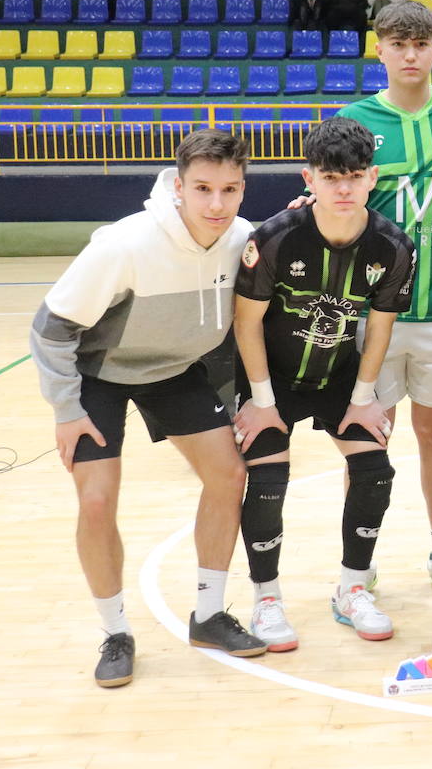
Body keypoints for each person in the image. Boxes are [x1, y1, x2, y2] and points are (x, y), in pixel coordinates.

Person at [30, 129, 265, 688]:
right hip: (98, 374)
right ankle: (115, 633)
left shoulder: (245, 239)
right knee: (95, 502)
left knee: (230, 476)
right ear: (177, 186)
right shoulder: (126, 245)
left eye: (229, 190)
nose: (216, 203)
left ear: (242, 189)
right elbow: (49, 329)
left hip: (174, 371)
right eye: (202, 188)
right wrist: (66, 410)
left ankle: (208, 615)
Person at [233, 117, 415, 651]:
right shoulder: (270, 238)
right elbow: (246, 324)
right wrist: (262, 404)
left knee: (376, 468)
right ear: (307, 177)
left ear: (372, 177)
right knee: (267, 473)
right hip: (273, 379)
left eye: (354, 176)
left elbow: (380, 327)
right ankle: (265, 597)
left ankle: (352, 589)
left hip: (338, 376)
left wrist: (363, 399)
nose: (342, 188)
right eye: (330, 176)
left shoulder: (393, 246)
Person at [335, 1, 432, 608]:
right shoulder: (353, 119)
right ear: (380, 50)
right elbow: (329, 202)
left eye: (421, 44)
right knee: (367, 443)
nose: (410, 55)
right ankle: (357, 568)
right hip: (373, 316)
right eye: (398, 44)